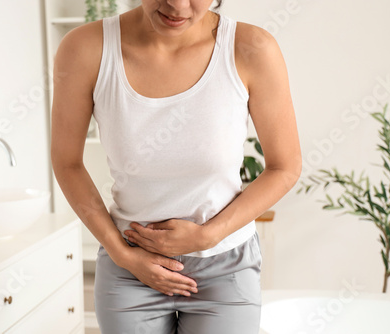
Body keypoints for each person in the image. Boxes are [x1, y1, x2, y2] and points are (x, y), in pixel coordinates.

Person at [51, 0, 302, 332]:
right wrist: (124, 256)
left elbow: (285, 167)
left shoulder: (252, 49)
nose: (177, 5)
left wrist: (207, 236)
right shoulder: (86, 49)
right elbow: (67, 162)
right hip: (130, 264)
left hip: (225, 265)